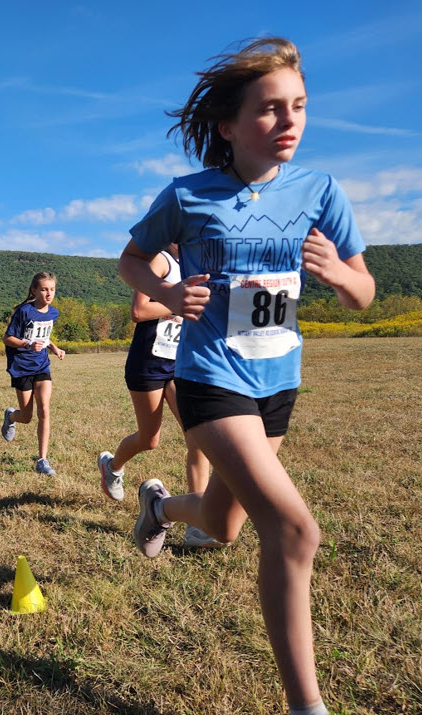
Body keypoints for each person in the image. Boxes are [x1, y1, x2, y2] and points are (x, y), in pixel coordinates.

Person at [121, 37, 374, 715]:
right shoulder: (188, 195)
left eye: (297, 107)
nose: (287, 121)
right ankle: (305, 706)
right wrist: (169, 297)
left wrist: (340, 276)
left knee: (223, 525)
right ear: (228, 125)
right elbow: (132, 261)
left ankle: (159, 506)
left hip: (276, 384)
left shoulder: (320, 192)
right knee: (293, 530)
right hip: (208, 377)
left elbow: (364, 290)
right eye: (268, 110)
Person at [98, 243, 218, 549]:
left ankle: (198, 526)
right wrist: (178, 302)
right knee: (150, 439)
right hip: (148, 364)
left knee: (198, 440)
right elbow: (139, 311)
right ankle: (112, 466)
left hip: (181, 365)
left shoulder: (196, 265)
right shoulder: (160, 260)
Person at [0, 272, 66, 475]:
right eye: (44, 289)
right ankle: (11, 416)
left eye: (52, 289)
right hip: (21, 367)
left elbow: (44, 336)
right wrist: (28, 344)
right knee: (27, 416)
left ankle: (42, 460)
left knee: (44, 409)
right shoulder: (23, 311)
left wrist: (54, 348)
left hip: (42, 366)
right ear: (34, 290)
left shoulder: (53, 313)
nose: (49, 293)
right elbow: (7, 338)